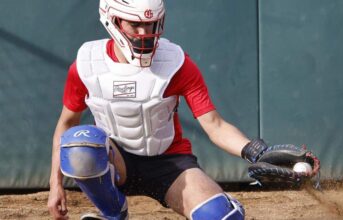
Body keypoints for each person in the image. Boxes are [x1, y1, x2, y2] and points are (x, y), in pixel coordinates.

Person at [47, 0, 319, 219]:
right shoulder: (87, 64)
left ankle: (224, 204)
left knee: (220, 217)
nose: (146, 34)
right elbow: (66, 124)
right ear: (112, 20)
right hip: (115, 161)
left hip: (169, 163)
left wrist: (256, 151)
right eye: (136, 25)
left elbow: (215, 125)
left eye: (151, 24)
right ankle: (113, 214)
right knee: (78, 145)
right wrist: (55, 185)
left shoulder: (176, 63)